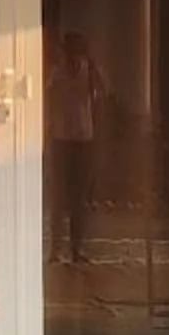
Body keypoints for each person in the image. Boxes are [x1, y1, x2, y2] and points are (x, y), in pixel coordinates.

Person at [48, 30, 107, 263]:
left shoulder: (89, 70)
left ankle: (76, 247)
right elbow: (48, 96)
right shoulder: (57, 71)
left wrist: (93, 65)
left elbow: (102, 92)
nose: (73, 54)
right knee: (58, 197)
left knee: (79, 198)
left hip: (83, 138)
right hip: (61, 138)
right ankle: (56, 248)